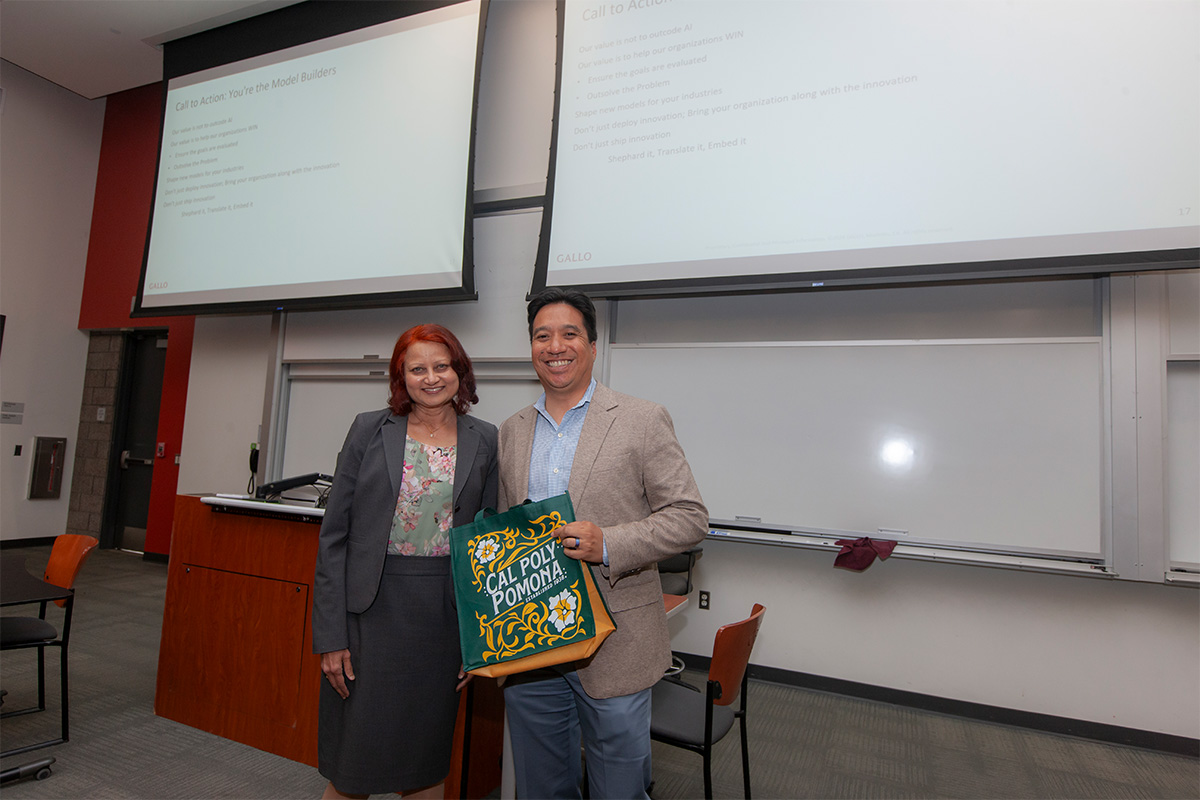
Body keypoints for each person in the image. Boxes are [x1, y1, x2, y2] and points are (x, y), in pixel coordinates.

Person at [497, 288, 708, 799]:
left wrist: (608, 543)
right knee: (540, 788)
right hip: (530, 645)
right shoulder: (511, 431)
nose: (555, 346)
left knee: (618, 789)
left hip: (617, 644)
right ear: (531, 348)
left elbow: (690, 518)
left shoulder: (641, 419)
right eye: (542, 336)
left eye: (569, 334)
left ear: (592, 346)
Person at [311, 324, 498, 799]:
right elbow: (334, 537)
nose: (431, 378)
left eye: (441, 366)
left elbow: (488, 546)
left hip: (442, 622)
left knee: (425, 763)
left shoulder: (486, 438)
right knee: (353, 767)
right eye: (417, 369)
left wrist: (480, 641)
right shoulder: (369, 429)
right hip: (369, 616)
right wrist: (330, 636)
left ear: (459, 371)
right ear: (401, 377)